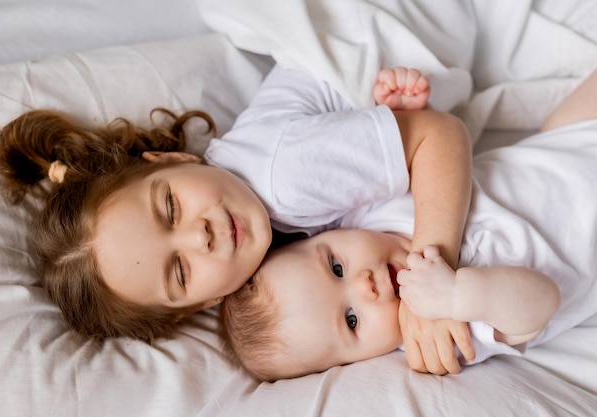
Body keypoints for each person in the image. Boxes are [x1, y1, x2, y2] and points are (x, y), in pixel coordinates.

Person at [0, 66, 472, 350]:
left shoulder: (283, 179)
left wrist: (432, 280)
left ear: (172, 159)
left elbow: (441, 136)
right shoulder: (276, 272)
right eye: (179, 270)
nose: (199, 237)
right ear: (202, 306)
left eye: (171, 207)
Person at [218, 69, 597, 382]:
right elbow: (544, 300)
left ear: (326, 232)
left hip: (566, 143)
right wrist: (457, 295)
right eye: (352, 320)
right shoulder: (437, 333)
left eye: (336, 267)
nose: (364, 286)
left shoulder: (368, 212)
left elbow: (437, 159)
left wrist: (408, 111)